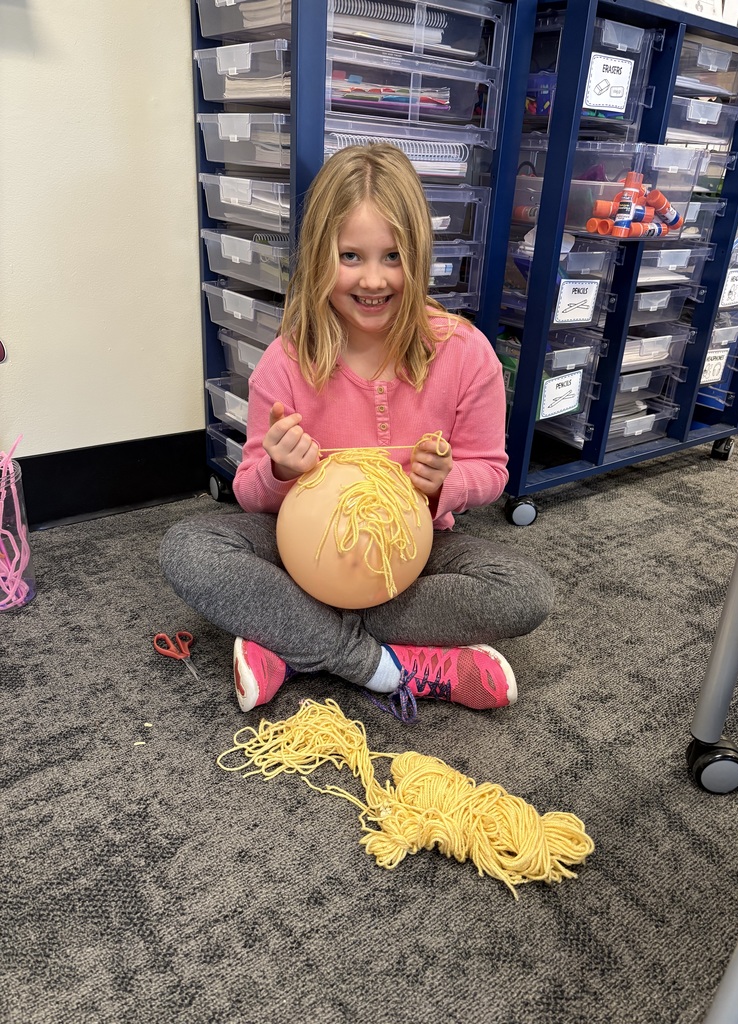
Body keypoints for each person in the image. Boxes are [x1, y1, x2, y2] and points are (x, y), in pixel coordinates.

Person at [160, 143, 554, 720]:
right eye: (350, 256)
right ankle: (389, 667)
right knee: (189, 547)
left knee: (525, 591)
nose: (373, 279)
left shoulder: (466, 354)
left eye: (393, 256)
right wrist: (279, 471)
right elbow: (248, 490)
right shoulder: (286, 360)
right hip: (301, 554)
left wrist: (448, 483)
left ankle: (293, 641)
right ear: (320, 256)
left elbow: (492, 471)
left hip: (412, 556)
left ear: (419, 256)